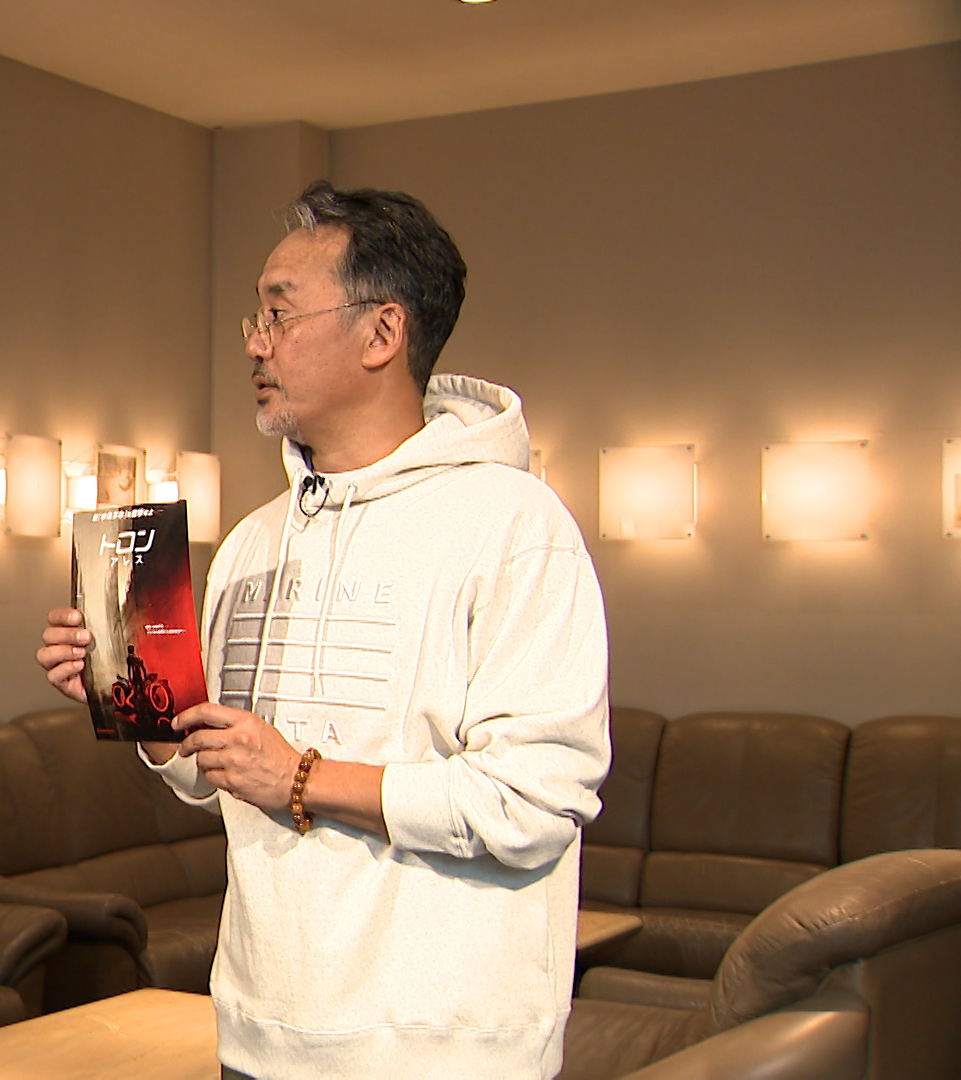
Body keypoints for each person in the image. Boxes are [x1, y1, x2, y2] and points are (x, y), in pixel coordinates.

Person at [38, 182, 610, 1079]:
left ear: (382, 334)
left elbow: (533, 802)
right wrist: (137, 708)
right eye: (254, 317)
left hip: (444, 1054)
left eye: (280, 313)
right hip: (258, 1038)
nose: (255, 343)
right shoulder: (253, 542)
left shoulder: (515, 526)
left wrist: (302, 776)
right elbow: (214, 775)